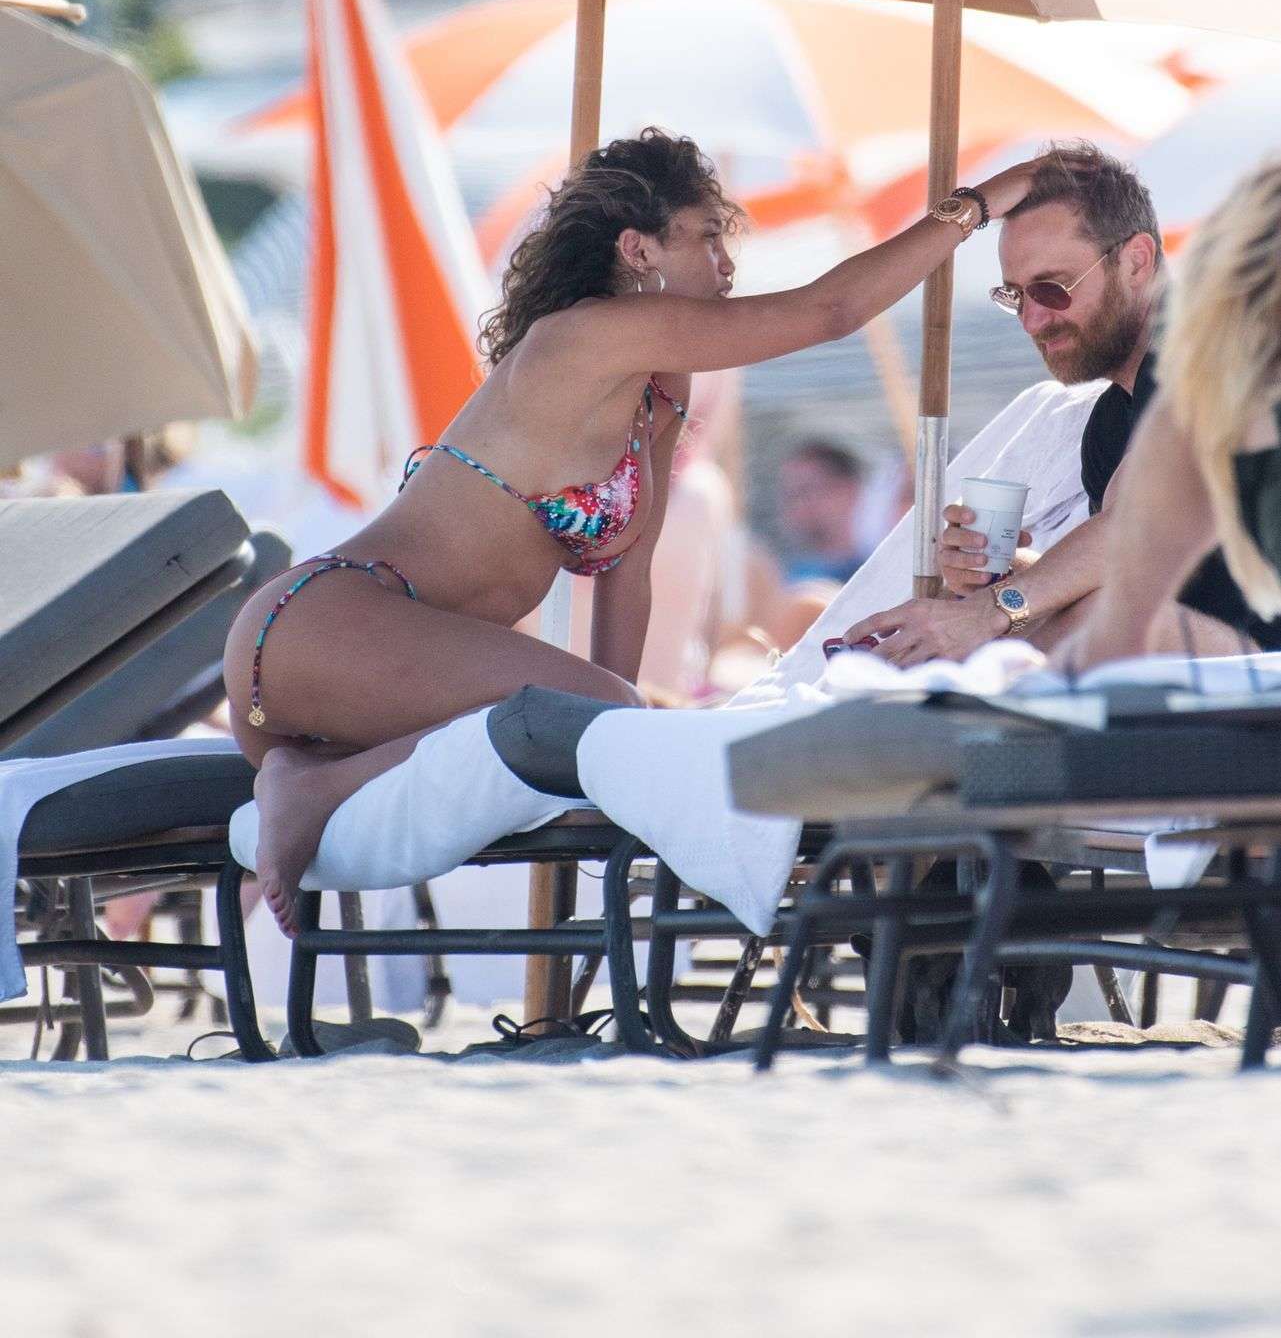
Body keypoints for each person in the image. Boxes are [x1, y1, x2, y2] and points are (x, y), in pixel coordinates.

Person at [221, 127, 1033, 931]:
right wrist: (979, 203)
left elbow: (626, 577)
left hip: (355, 695)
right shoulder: (588, 334)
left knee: (610, 711)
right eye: (706, 237)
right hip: (316, 629)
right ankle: (313, 787)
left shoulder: (660, 386)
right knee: (606, 706)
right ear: (637, 249)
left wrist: (605, 745)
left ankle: (311, 772)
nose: (726, 263)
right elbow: (830, 310)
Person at [843, 143, 1256, 667]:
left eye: (1053, 289)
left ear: (1136, 261)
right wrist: (1000, 573)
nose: (1031, 321)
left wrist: (992, 612)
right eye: (1015, 296)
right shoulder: (1111, 420)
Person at [1064, 157, 1281, 670]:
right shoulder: (1186, 403)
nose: (1033, 316)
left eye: (1054, 287)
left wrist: (1003, 608)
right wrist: (1008, 590)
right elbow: (1125, 583)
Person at [776, 438, 871, 584]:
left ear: (849, 488)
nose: (797, 505)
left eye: (806, 491)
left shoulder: (884, 563)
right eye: (789, 496)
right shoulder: (797, 581)